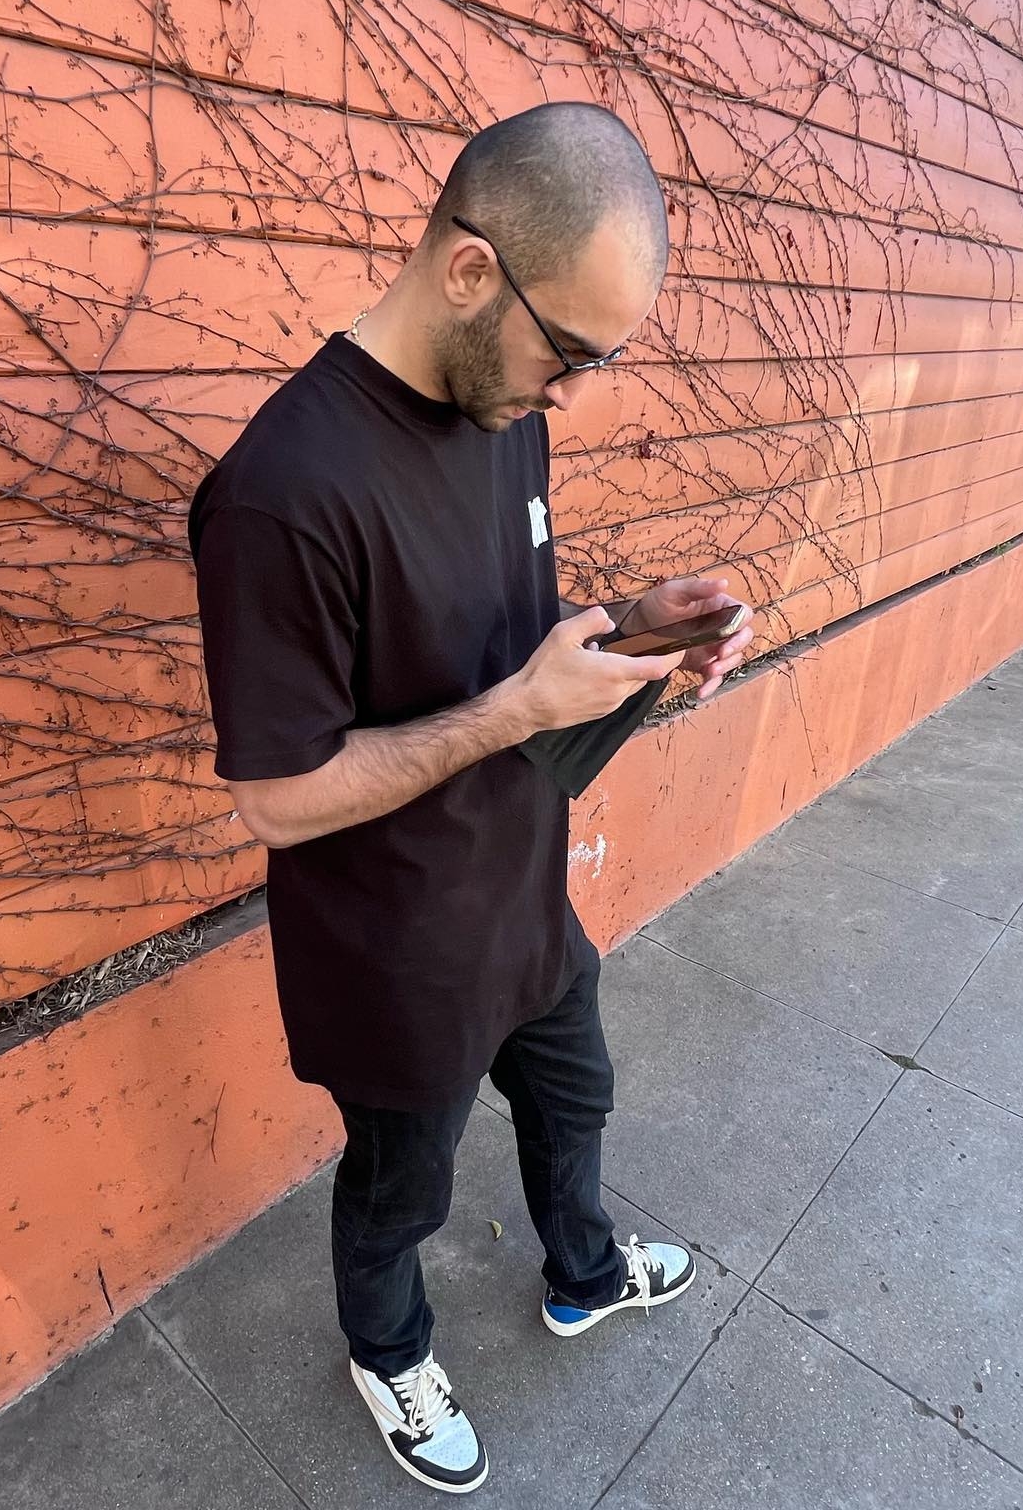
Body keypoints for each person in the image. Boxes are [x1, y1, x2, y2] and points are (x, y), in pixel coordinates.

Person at [187, 102, 753, 1494]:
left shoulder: (499, 403)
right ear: (469, 270)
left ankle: (583, 1271)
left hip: (521, 891)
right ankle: (387, 1353)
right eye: (569, 354)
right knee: (403, 1191)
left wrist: (636, 634)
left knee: (577, 1095)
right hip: (395, 956)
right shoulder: (282, 494)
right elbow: (275, 800)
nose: (570, 395)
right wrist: (515, 711)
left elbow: (494, 642)